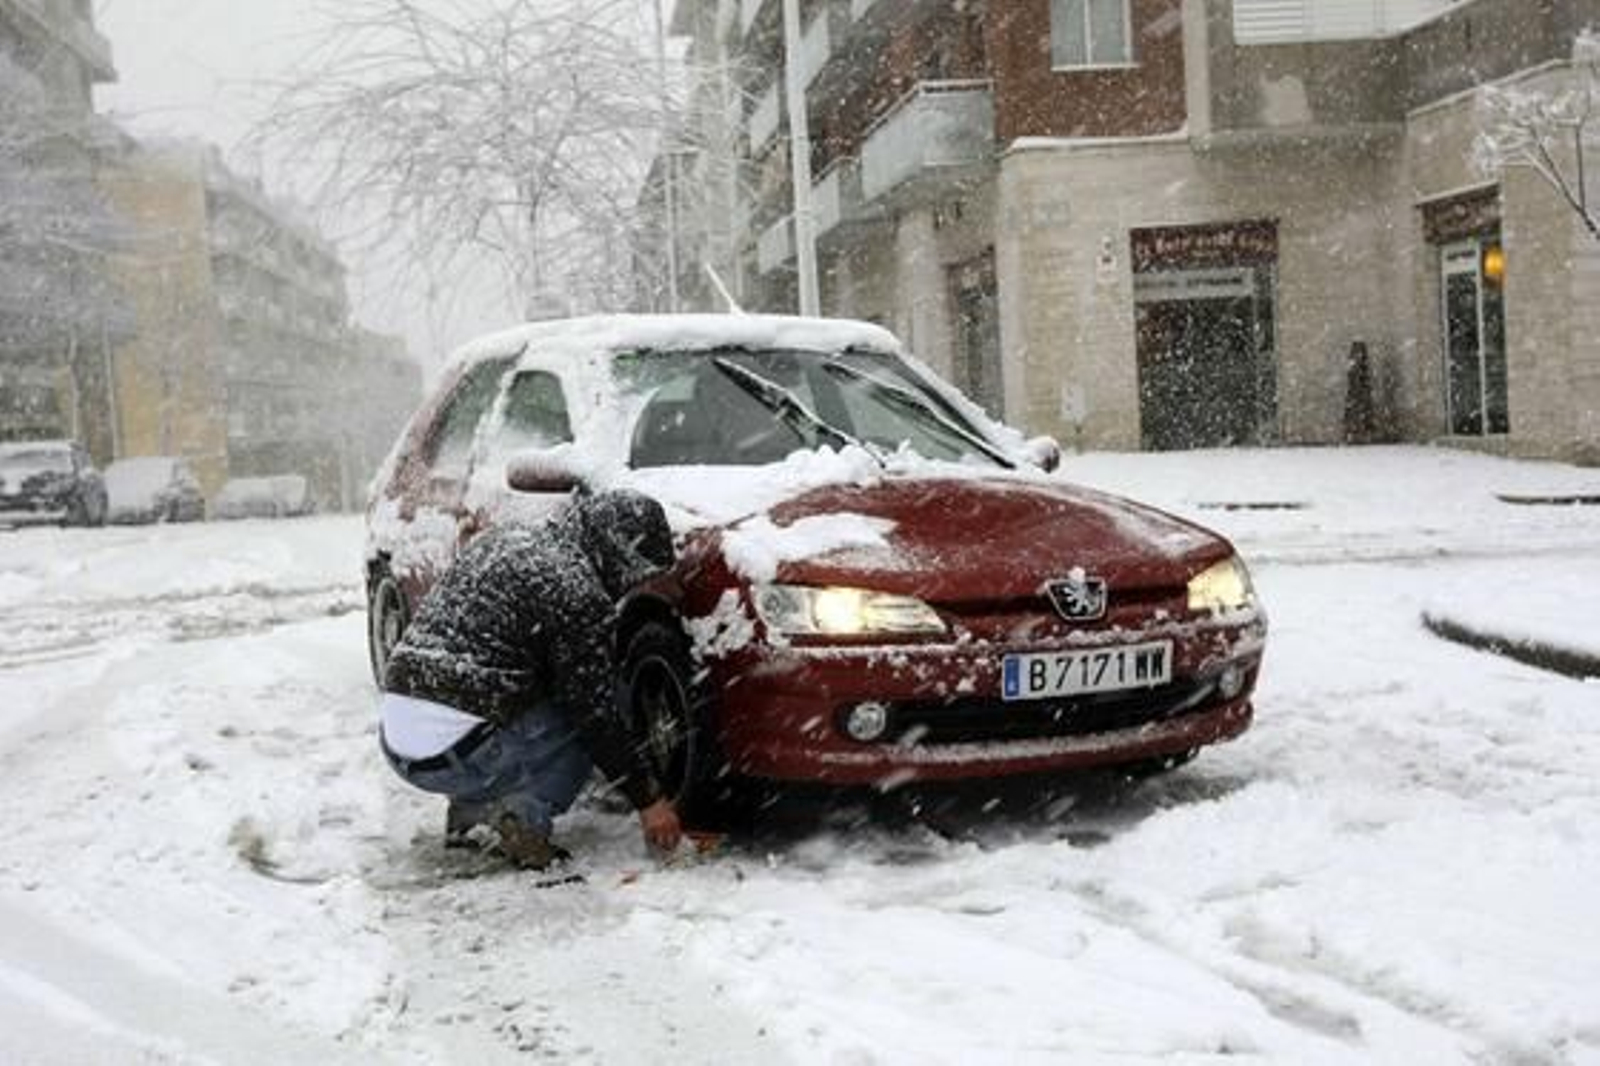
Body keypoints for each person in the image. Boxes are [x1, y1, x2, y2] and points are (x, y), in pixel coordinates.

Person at [377, 488, 683, 870]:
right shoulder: (574, 588)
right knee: (588, 713)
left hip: (400, 743)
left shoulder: (508, 540)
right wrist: (649, 800)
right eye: (637, 573)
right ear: (618, 551)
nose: (631, 585)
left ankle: (471, 813)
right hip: (456, 751)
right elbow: (594, 716)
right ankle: (523, 818)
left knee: (518, 690)